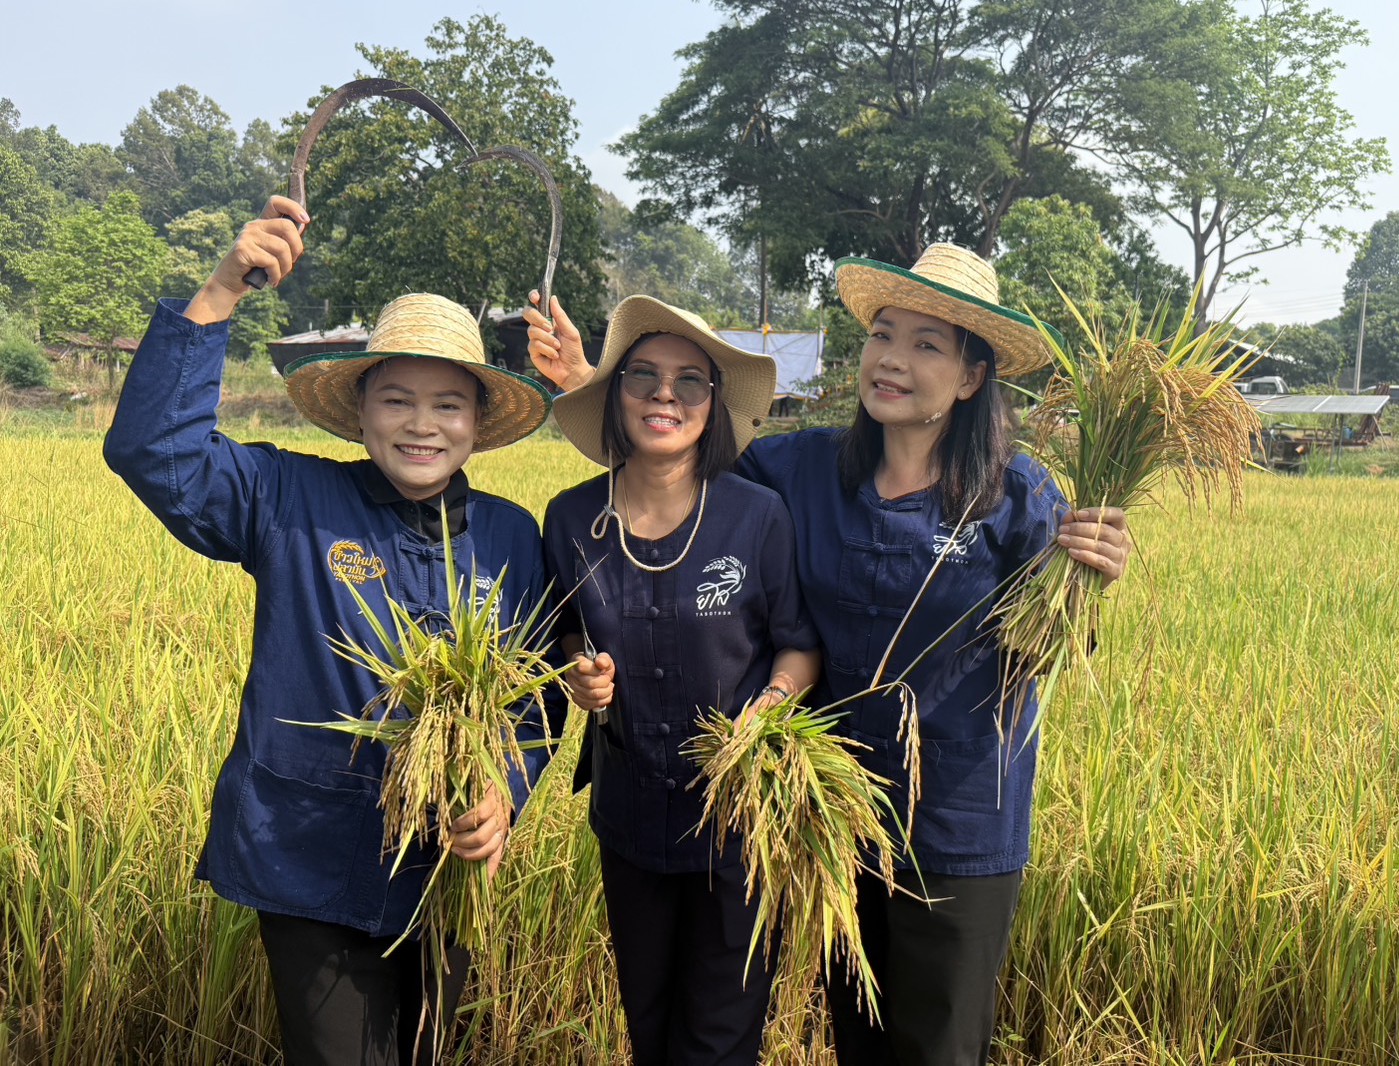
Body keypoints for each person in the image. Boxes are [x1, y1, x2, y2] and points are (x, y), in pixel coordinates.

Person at [525, 244, 1131, 1066]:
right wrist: (588, 383)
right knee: (858, 1037)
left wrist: (1090, 573)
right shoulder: (796, 466)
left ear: (970, 378)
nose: (891, 358)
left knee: (940, 1048)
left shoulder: (1019, 498)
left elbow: (1050, 645)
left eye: (927, 345)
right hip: (825, 812)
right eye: (884, 333)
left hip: (956, 821)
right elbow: (668, 451)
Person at [104, 196, 560, 1066]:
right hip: (307, 854)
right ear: (360, 413)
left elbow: (533, 696)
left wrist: (503, 792)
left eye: (447, 406)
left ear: (476, 423)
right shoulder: (290, 499)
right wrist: (223, 285)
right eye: (397, 400)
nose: (422, 425)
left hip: (446, 871)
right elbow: (154, 453)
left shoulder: (511, 536)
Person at [541, 294, 821, 1066]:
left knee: (720, 1034)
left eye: (689, 381)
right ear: (615, 394)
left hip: (736, 820)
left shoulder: (758, 516)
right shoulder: (569, 519)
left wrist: (765, 710)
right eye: (644, 376)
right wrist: (579, 670)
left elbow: (797, 646)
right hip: (628, 815)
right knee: (649, 1022)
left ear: (713, 405)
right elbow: (567, 631)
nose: (665, 394)